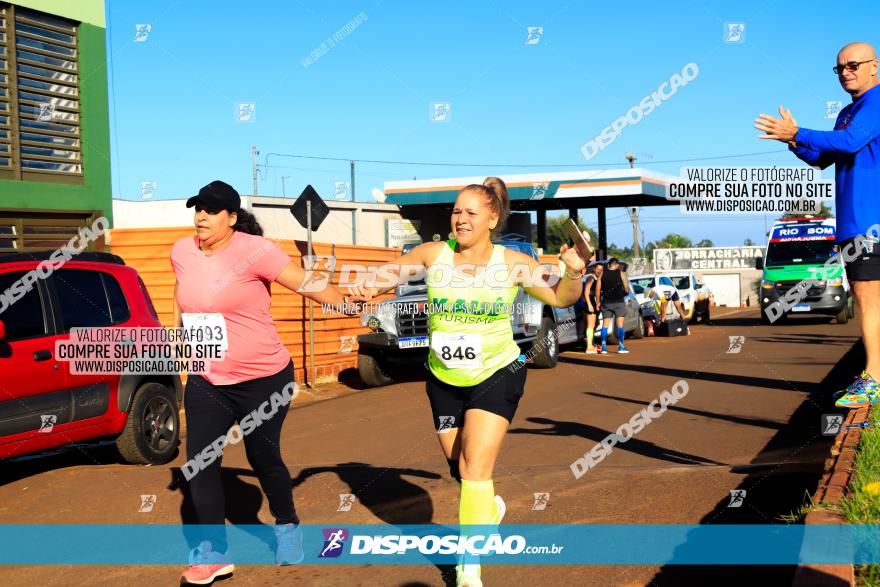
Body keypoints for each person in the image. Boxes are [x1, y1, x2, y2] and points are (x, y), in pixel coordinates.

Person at [355, 177, 587, 587]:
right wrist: (362, 286)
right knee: (459, 468)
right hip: (444, 378)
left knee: (476, 467)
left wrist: (573, 274)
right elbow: (383, 275)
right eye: (456, 211)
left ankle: (469, 568)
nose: (460, 219)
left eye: (470, 212)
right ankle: (487, 509)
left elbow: (562, 299)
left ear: (491, 218)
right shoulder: (432, 254)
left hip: (497, 372)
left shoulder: (513, 262)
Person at [172, 180, 361, 584]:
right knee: (199, 463)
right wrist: (182, 341)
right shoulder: (181, 251)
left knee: (263, 458)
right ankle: (214, 555)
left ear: (232, 218)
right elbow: (182, 295)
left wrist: (349, 305)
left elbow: (306, 283)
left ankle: (287, 524)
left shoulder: (255, 251)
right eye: (197, 208)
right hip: (208, 378)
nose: (201, 216)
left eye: (210, 210)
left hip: (264, 378)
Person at [755, 42, 880, 408]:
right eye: (839, 68)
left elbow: (849, 142)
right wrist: (792, 138)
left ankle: (872, 377)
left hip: (869, 221)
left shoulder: (875, 102)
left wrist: (800, 131)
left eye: (853, 65)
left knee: (868, 297)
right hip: (854, 223)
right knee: (866, 296)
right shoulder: (848, 111)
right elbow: (823, 157)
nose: (846, 72)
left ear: (875, 67)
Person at [599, 258, 630, 354]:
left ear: (609, 265)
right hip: (619, 302)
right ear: (616, 265)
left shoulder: (602, 274)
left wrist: (597, 301)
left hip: (606, 302)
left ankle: (604, 347)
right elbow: (627, 288)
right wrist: (624, 291)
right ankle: (621, 347)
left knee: (605, 325)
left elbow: (597, 288)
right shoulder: (621, 273)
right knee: (620, 325)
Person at [580, 261, 602, 354]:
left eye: (601, 270)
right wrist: (589, 304)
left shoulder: (598, 278)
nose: (599, 271)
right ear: (594, 269)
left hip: (594, 302)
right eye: (598, 269)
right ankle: (589, 347)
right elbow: (586, 292)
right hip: (590, 302)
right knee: (590, 325)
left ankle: (589, 342)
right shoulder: (591, 277)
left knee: (595, 323)